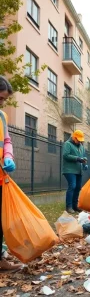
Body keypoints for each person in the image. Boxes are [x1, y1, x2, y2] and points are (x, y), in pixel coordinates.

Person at [0, 76, 23, 272]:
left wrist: (9, 156)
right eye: (0, 98)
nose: (2, 103)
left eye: (4, 100)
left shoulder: (2, 116)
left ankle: (0, 258)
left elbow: (6, 140)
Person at [62, 130, 88, 214]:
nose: (80, 141)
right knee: (72, 186)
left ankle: (75, 206)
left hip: (78, 170)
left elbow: (83, 157)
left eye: (81, 140)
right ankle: (68, 206)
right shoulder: (67, 144)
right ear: (74, 137)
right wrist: (77, 158)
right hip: (69, 170)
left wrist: (84, 163)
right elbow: (65, 155)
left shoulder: (81, 147)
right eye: (78, 139)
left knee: (77, 188)